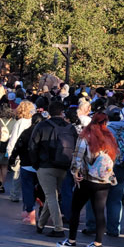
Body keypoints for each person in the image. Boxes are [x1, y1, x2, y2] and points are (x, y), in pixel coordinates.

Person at [57, 113, 118, 247]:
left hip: (87, 179)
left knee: (76, 209)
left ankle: (71, 241)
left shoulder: (86, 137)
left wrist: (75, 172)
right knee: (99, 211)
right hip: (104, 180)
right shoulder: (110, 138)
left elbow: (77, 157)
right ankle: (98, 243)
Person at [82, 106, 124, 237]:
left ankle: (92, 225)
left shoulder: (105, 131)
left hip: (108, 167)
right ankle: (114, 229)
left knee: (95, 197)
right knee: (116, 199)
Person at [29, 101, 78, 238]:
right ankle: (41, 224)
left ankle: (58, 228)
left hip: (45, 165)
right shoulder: (70, 128)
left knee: (51, 196)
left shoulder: (41, 126)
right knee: (53, 195)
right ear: (62, 112)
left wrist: (36, 164)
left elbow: (33, 146)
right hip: (64, 165)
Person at [9, 112, 45, 224]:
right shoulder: (44, 133)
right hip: (41, 166)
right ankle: (43, 211)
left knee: (28, 189)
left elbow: (17, 146)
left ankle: (31, 213)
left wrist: (12, 158)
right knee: (43, 189)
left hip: (26, 165)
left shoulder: (26, 132)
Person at [6, 100, 36, 204]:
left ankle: (14, 194)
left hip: (20, 150)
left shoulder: (19, 122)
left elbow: (14, 138)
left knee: (17, 175)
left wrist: (10, 153)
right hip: (32, 151)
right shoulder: (34, 121)